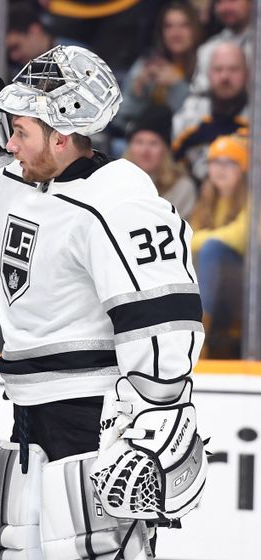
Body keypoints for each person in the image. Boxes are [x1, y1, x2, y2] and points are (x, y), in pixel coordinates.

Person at [0, 39, 208, 559]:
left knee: (94, 549)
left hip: (95, 411)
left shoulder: (117, 199)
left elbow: (164, 313)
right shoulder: (28, 188)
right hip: (29, 408)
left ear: (63, 138)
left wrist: (156, 419)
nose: (11, 145)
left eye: (20, 132)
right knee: (18, 548)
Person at [187, 134, 248, 358]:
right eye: (215, 162)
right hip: (218, 284)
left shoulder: (254, 196)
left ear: (242, 169)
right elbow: (190, 239)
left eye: (229, 163)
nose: (220, 169)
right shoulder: (207, 199)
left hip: (248, 282)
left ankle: (200, 338)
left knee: (212, 250)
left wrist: (198, 240)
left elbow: (242, 236)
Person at [115, 1, 202, 131]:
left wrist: (177, 84)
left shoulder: (206, 62)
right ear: (161, 32)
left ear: (195, 29)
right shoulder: (148, 64)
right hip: (142, 140)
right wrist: (138, 93)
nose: (175, 33)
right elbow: (120, 121)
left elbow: (198, 120)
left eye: (184, 25)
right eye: (168, 26)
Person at [172, 40, 249, 182]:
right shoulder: (189, 117)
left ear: (247, 74)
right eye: (218, 69)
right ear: (208, 74)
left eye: (233, 69)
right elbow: (172, 166)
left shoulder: (255, 118)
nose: (225, 77)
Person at [123, 105, 197, 219]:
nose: (145, 151)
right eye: (139, 142)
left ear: (165, 151)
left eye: (153, 143)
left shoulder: (182, 187)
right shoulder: (118, 182)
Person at [189, 0, 252, 95]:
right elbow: (198, 98)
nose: (225, 8)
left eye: (232, 1)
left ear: (252, 3)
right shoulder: (208, 49)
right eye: (219, 2)